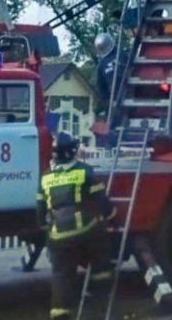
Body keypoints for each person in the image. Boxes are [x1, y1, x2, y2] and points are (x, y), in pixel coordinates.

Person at [38, 132, 115, 320]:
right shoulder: (84, 171)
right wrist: (110, 214)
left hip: (58, 237)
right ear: (72, 151)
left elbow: (40, 213)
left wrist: (47, 231)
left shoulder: (45, 178)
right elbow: (101, 201)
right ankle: (99, 292)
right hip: (85, 232)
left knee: (61, 273)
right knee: (102, 248)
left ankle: (60, 312)